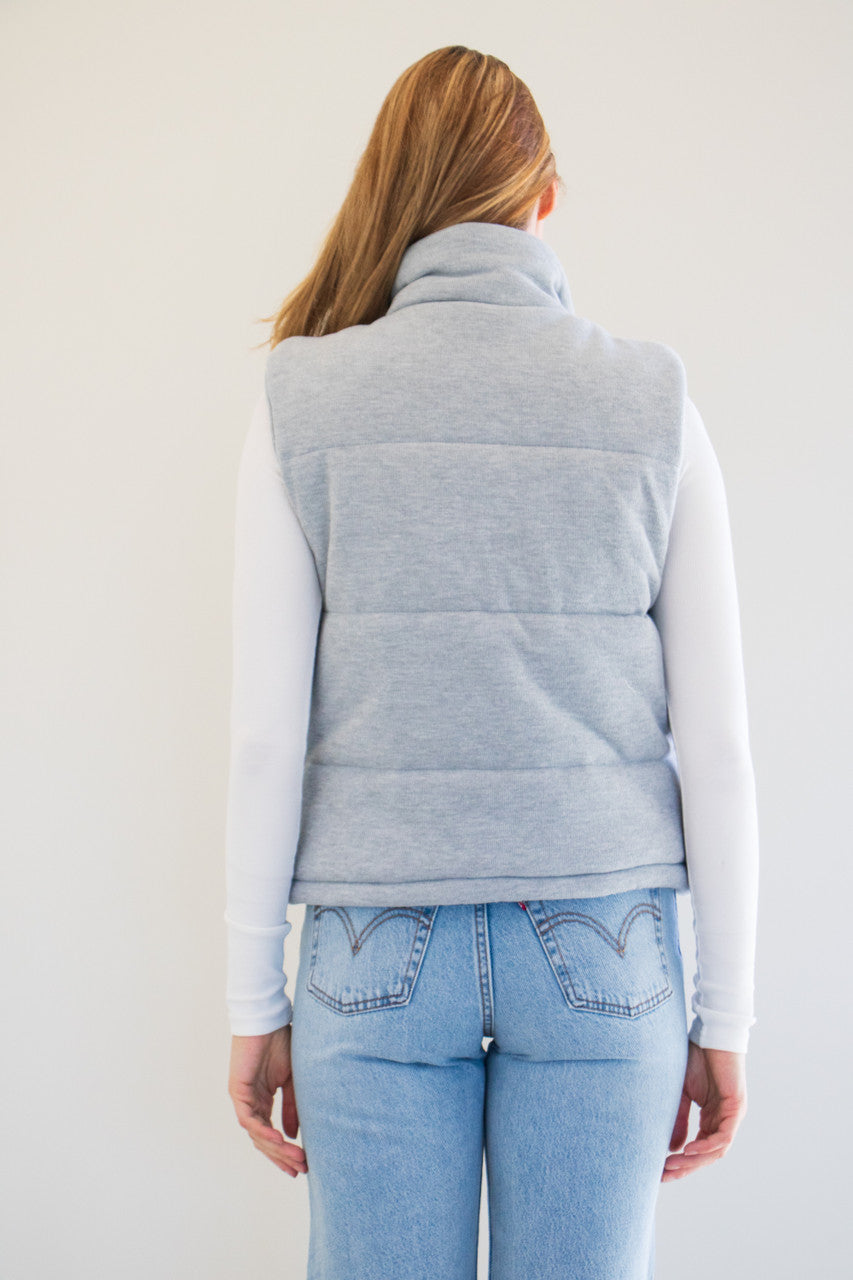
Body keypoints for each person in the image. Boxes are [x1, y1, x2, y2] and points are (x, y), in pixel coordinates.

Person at [224, 44, 759, 1279]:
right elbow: (719, 747)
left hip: (371, 947)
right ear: (544, 198)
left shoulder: (300, 399)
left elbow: (262, 739)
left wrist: (254, 1001)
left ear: (392, 190)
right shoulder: (655, 403)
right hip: (605, 947)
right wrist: (725, 1013)